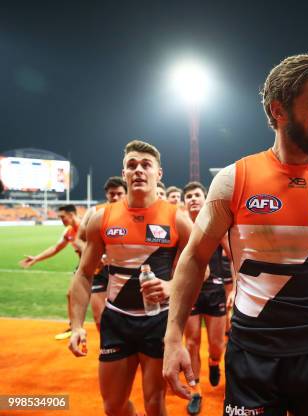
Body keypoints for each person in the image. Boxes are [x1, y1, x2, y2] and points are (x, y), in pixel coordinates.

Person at [163, 54, 308, 416]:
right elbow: (195, 258)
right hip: (252, 355)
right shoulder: (233, 180)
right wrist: (172, 338)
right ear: (279, 110)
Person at [68, 140, 192, 416]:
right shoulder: (102, 218)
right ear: (124, 173)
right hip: (117, 320)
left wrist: (171, 286)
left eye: (146, 165)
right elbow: (84, 274)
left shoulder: (178, 219)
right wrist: (76, 325)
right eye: (131, 165)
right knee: (113, 407)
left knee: (155, 405)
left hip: (158, 321)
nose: (138, 170)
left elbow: (199, 271)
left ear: (158, 174)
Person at [181, 181, 234, 415]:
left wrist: (235, 287)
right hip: (189, 293)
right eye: (188, 196)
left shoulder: (215, 224)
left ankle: (214, 363)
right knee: (191, 343)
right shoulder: (181, 226)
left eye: (197, 195)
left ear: (204, 199)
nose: (193, 199)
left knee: (216, 345)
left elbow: (233, 256)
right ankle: (196, 392)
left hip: (214, 291)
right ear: (184, 202)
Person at [20, 204, 82, 340]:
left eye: (63, 217)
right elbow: (56, 248)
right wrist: (36, 258)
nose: (61, 220)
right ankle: (73, 327)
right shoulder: (69, 232)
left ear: (72, 215)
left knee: (106, 300)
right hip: (83, 267)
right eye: (59, 217)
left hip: (101, 266)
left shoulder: (87, 227)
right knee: (71, 295)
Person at [75, 176, 127, 331]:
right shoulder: (95, 212)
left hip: (122, 271)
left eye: (119, 193)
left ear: (126, 193)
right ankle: (107, 348)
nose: (115, 197)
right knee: (99, 317)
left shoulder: (133, 213)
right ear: (107, 194)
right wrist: (95, 257)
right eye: (112, 194)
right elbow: (78, 239)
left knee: (125, 315)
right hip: (99, 270)